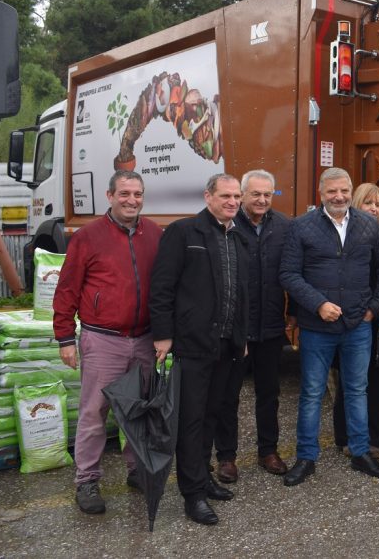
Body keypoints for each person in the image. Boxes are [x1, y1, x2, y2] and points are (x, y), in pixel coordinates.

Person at [52, 170, 162, 515]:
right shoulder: (88, 236)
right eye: (125, 193)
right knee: (94, 413)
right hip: (103, 340)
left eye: (138, 194)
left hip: (143, 339)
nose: (132, 200)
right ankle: (87, 479)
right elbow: (67, 288)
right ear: (110, 195)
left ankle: (136, 469)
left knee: (138, 411)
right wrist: (65, 337)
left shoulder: (155, 235)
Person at [279, 168, 379, 486]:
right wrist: (317, 304)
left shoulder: (367, 225)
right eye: (332, 191)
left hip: (358, 324)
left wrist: (375, 308)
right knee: (312, 393)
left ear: (350, 190)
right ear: (321, 193)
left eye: (344, 190)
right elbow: (289, 273)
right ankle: (306, 457)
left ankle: (360, 452)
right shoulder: (301, 227)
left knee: (357, 390)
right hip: (317, 327)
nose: (339, 196)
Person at [150, 173, 250, 525]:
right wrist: (162, 335)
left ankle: (204, 478)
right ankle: (192, 494)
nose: (233, 202)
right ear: (208, 196)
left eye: (237, 196)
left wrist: (242, 337)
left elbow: (241, 294)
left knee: (212, 414)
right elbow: (162, 287)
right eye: (225, 195)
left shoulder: (237, 236)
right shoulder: (184, 233)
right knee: (190, 421)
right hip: (192, 345)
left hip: (226, 345)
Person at [212, 170, 291, 482]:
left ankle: (268, 450)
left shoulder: (285, 226)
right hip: (235, 327)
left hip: (271, 324)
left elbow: (295, 272)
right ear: (242, 195)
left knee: (269, 393)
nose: (261, 200)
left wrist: (293, 313)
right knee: (228, 394)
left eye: (267, 195)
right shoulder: (227, 226)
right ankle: (227, 457)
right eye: (255, 194)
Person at [331, 182, 379, 456]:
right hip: (355, 316)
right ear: (356, 204)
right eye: (368, 203)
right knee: (349, 378)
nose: (374, 208)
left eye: (378, 203)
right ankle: (343, 436)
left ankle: (375, 438)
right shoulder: (345, 233)